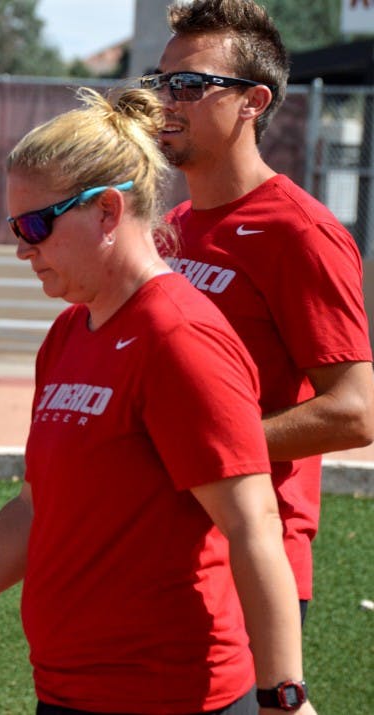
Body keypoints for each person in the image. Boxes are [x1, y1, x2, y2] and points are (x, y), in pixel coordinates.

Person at [0, 86, 316, 715]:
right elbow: (34, 508)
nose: (22, 248)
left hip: (174, 697)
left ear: (108, 211)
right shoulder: (67, 334)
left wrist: (284, 696)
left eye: (35, 226)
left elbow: (254, 526)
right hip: (72, 692)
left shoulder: (179, 336)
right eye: (14, 228)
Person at [143, 0, 374, 623]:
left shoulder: (301, 232)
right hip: (170, 552)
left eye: (189, 84)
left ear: (254, 102)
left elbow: (354, 411)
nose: (166, 100)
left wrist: (199, 449)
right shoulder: (172, 227)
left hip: (252, 563)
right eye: (161, 81)